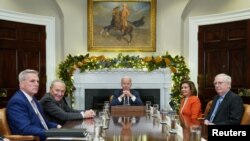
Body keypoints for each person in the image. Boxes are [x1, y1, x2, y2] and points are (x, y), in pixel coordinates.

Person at [6, 69, 61, 141]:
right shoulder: (17, 102)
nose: (37, 84)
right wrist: (50, 133)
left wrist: (57, 126)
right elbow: (25, 129)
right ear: (22, 84)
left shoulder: (33, 99)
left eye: (37, 81)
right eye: (32, 81)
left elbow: (43, 122)